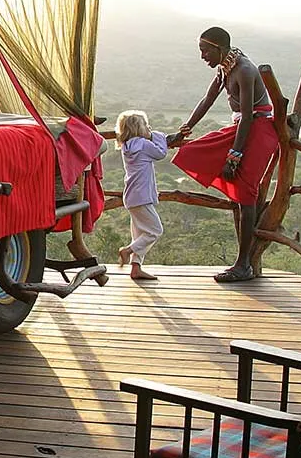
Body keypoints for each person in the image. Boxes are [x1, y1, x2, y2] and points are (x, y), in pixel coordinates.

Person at [172, 26, 280, 283]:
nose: (202, 57)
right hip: (242, 128)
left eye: (205, 51)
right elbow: (207, 99)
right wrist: (184, 130)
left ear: (219, 48)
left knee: (246, 193)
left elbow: (249, 119)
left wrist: (234, 156)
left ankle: (243, 265)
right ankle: (242, 262)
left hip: (258, 129)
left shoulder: (243, 69)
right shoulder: (225, 67)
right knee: (192, 151)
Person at [115, 110, 170, 281]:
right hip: (142, 196)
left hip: (132, 195)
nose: (149, 127)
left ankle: (136, 268)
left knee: (139, 234)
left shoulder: (127, 146)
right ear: (139, 128)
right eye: (146, 125)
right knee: (155, 230)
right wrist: (157, 135)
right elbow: (161, 153)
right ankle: (127, 251)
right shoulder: (144, 145)